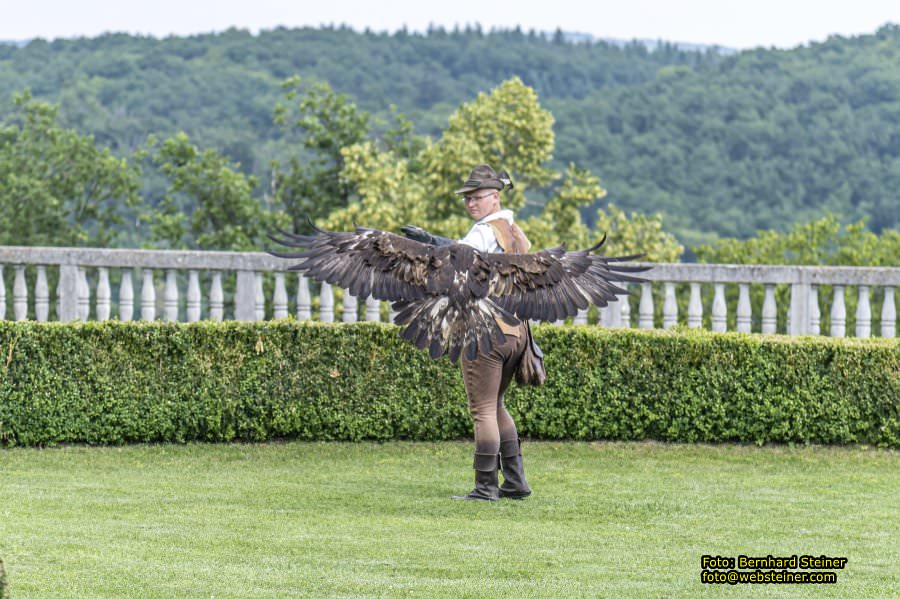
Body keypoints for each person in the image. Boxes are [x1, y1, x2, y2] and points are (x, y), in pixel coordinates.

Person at [403, 164, 533, 502]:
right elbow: (471, 253)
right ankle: (516, 482)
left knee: (482, 410)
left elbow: (454, 262)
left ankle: (485, 488)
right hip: (518, 330)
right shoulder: (512, 230)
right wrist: (434, 240)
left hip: (488, 331)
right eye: (467, 198)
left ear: (494, 197)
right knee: (496, 403)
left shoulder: (481, 231)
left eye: (476, 197)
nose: (470, 203)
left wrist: (427, 248)